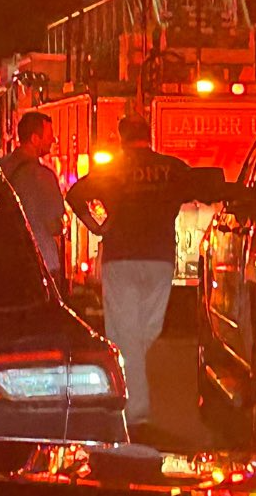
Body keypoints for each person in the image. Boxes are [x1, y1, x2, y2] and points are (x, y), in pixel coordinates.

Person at [66, 116, 191, 436]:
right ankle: (137, 407)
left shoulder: (111, 170)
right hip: (160, 259)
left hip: (121, 257)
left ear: (121, 138)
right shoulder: (172, 168)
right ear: (149, 136)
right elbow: (203, 187)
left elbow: (75, 195)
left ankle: (134, 411)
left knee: (126, 334)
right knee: (148, 329)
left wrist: (98, 226)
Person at [0, 112, 67, 293]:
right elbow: (55, 226)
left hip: (7, 259)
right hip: (42, 262)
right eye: (49, 135)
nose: (53, 140)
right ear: (35, 139)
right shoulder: (44, 177)